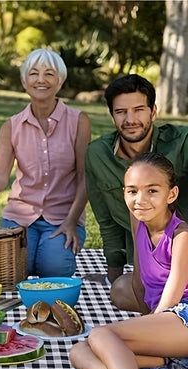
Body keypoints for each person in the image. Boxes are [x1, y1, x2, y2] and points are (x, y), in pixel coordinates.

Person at [70, 153, 188, 369]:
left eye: (152, 191)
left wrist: (146, 335)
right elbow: (140, 276)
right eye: (132, 191)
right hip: (166, 326)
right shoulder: (139, 221)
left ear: (172, 194)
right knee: (80, 351)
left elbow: (171, 297)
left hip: (182, 317)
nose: (140, 200)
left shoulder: (182, 236)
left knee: (101, 335)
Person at [0, 48, 91, 277]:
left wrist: (71, 221)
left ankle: (50, 253)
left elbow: (84, 176)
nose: (41, 80)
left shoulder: (79, 121)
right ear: (23, 81)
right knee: (14, 271)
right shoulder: (11, 126)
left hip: (63, 217)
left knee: (54, 269)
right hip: (19, 217)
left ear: (60, 80)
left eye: (49, 74)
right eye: (34, 73)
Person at [85, 74, 188, 312]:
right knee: (119, 290)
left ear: (153, 111)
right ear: (112, 115)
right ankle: (163, 313)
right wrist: (113, 273)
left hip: (181, 247)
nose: (130, 119)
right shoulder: (98, 154)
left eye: (139, 109)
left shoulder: (181, 142)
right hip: (149, 261)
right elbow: (106, 220)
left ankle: (167, 317)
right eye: (121, 112)